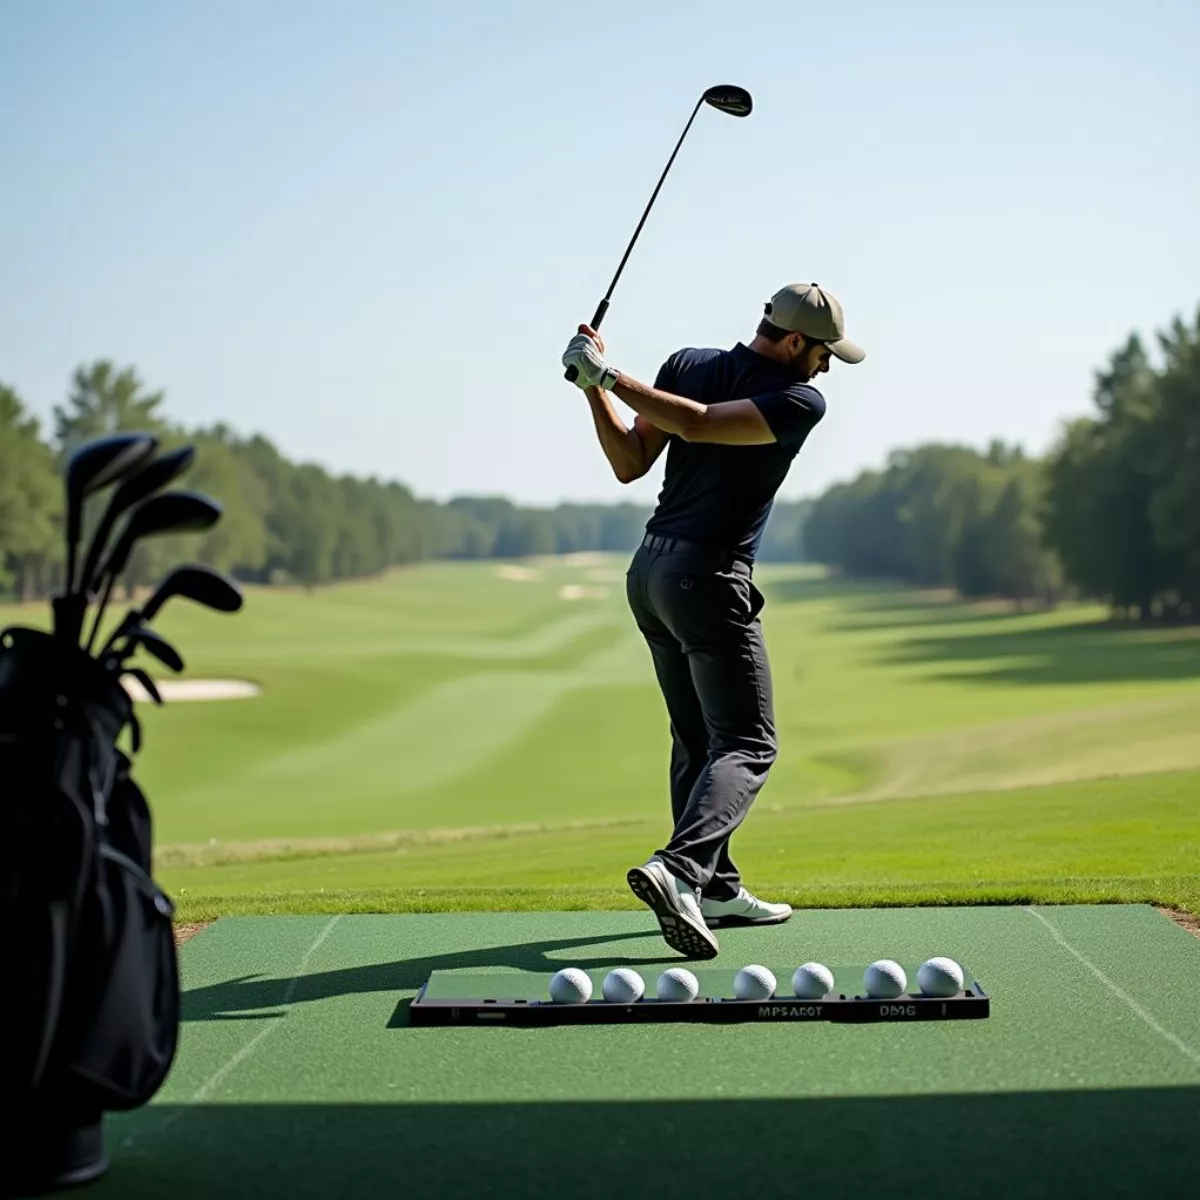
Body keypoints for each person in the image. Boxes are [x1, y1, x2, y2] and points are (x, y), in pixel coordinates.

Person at [561, 282, 866, 958]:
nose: (826, 368)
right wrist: (598, 383)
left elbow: (633, 458)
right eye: (823, 354)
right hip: (706, 578)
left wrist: (597, 379)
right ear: (793, 343)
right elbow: (686, 428)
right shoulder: (798, 399)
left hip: (651, 575)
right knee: (749, 742)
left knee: (697, 742)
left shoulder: (687, 365)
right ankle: (681, 869)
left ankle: (719, 890)